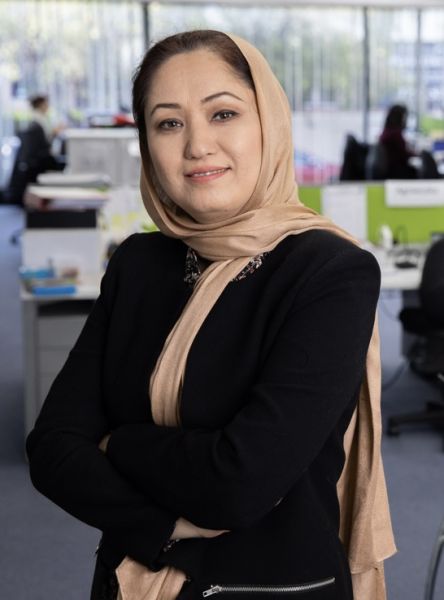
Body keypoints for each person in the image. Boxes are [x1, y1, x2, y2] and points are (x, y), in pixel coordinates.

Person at [26, 30, 396, 600]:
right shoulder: (139, 263)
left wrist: (116, 444)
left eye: (223, 113)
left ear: (268, 122)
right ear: (147, 144)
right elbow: (51, 450)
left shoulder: (329, 271)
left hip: (266, 587)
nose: (197, 144)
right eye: (168, 123)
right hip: (129, 579)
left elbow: (239, 483)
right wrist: (163, 525)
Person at [5, 94, 64, 205]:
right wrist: (55, 133)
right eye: (46, 104)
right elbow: (44, 143)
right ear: (41, 104)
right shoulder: (38, 121)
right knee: (60, 163)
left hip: (34, 160)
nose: (48, 106)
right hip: (38, 161)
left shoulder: (37, 119)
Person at [378, 104, 416, 179]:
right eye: (404, 117)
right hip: (397, 172)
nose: (406, 121)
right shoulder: (395, 134)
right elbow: (404, 155)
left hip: (392, 170)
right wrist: (419, 154)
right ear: (400, 118)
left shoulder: (387, 131)